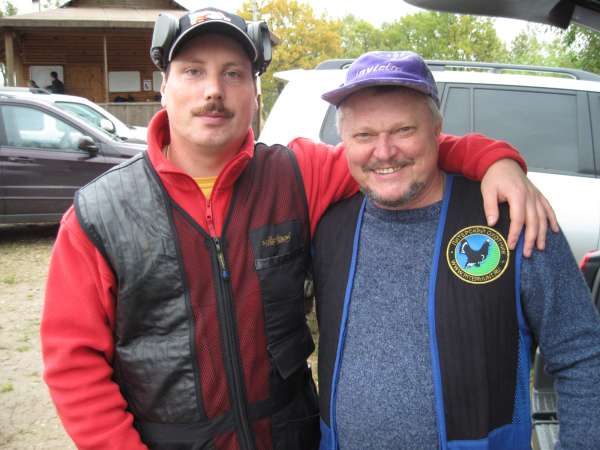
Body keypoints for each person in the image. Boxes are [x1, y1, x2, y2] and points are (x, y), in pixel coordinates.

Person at [41, 8, 556, 450]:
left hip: (291, 436)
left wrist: (495, 160)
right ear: (164, 88)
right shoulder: (100, 214)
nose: (214, 90)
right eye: (193, 71)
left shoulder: (297, 175)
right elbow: (74, 365)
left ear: (255, 93)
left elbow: (397, 153)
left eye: (233, 74)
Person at [313, 51, 600, 450]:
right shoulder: (328, 227)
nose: (384, 151)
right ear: (343, 141)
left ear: (437, 130)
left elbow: (582, 354)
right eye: (364, 135)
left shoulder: (513, 220)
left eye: (403, 130)